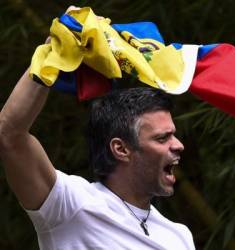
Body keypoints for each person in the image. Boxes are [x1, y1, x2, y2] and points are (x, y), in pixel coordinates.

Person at [0, 19, 195, 250]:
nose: (179, 145)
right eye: (162, 138)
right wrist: (52, 54)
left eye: (173, 135)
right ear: (121, 149)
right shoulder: (71, 206)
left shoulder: (179, 237)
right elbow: (10, 135)